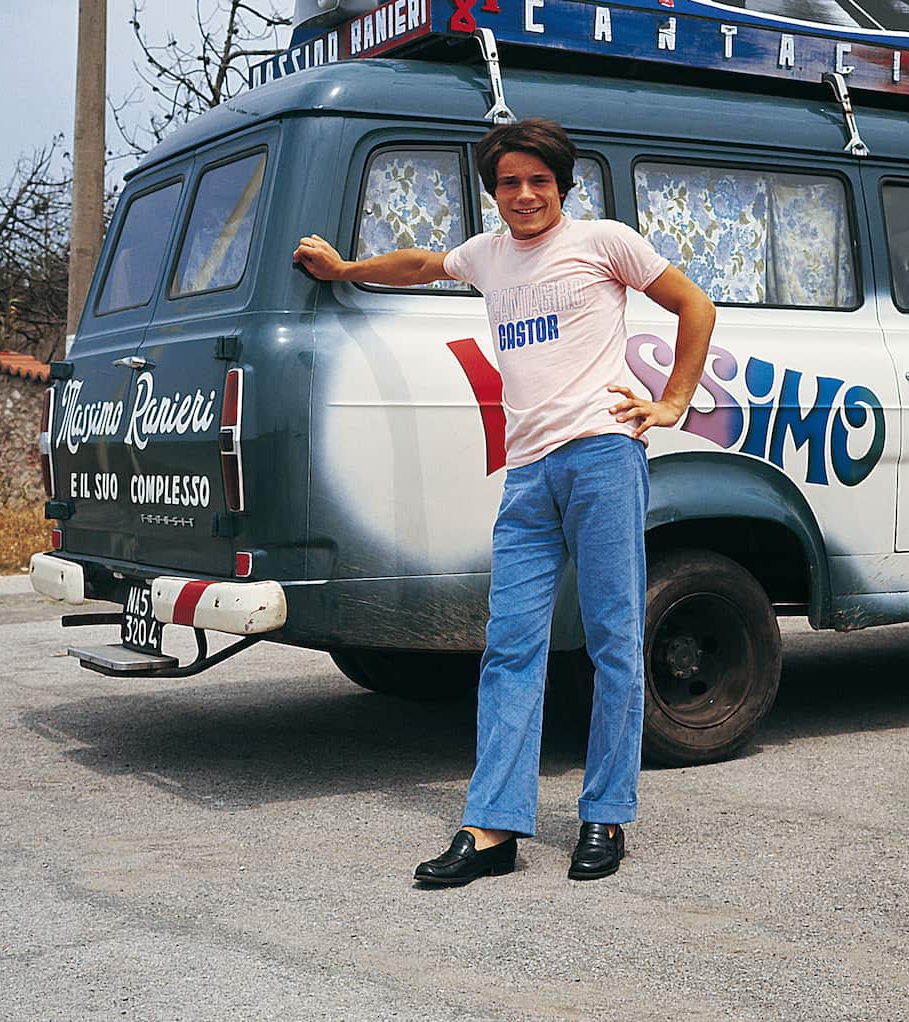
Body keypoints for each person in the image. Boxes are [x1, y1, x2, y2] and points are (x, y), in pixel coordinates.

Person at [293, 119, 716, 885]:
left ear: (562, 185)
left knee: (614, 641)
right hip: (527, 474)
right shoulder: (487, 256)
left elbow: (694, 305)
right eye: (509, 183)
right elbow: (422, 263)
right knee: (510, 648)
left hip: (601, 456)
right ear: (495, 192)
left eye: (539, 181)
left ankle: (606, 816)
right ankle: (493, 830)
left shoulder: (604, 241)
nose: (524, 195)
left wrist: (673, 401)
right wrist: (345, 268)